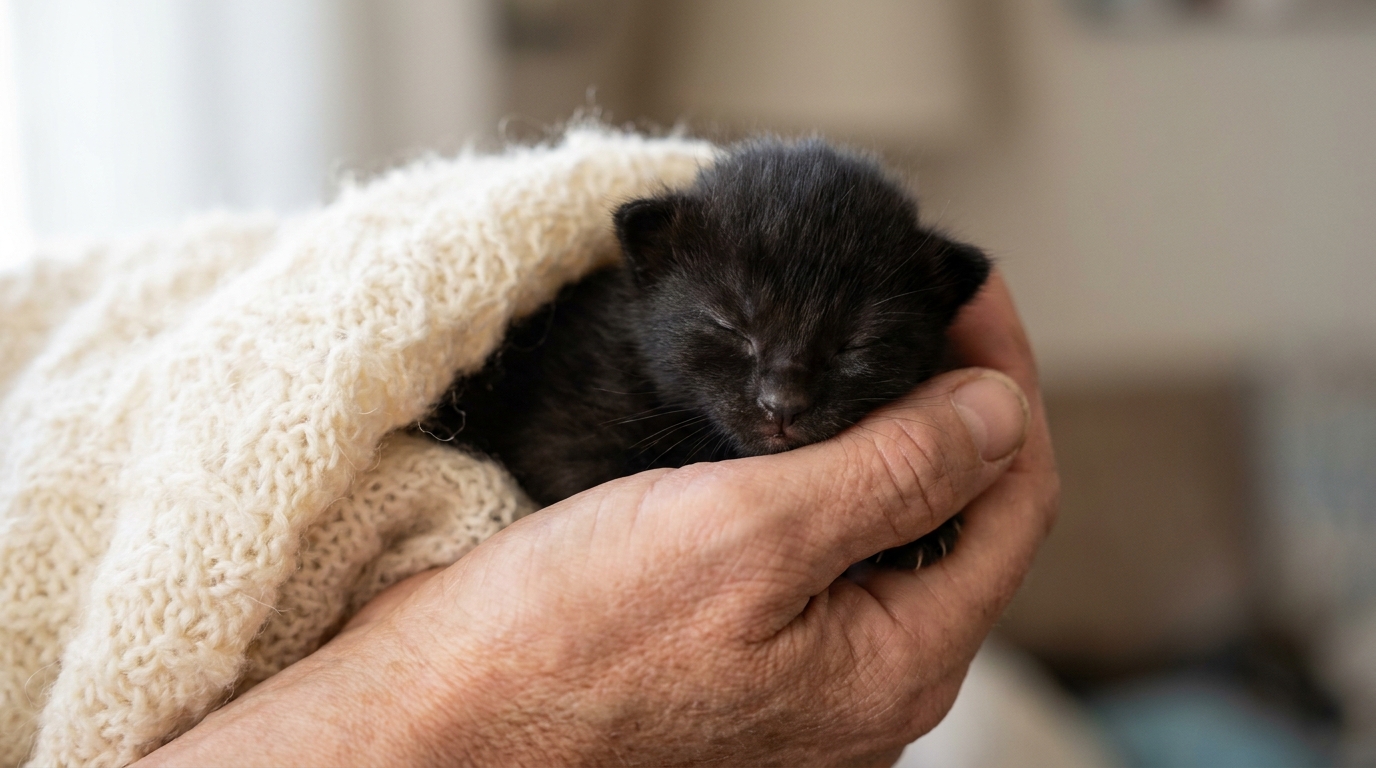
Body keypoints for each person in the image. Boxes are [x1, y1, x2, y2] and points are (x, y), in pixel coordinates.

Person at [136, 272, 1058, 766]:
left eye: (854, 346)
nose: (781, 392)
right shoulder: (599, 376)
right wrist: (433, 715)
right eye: (736, 337)